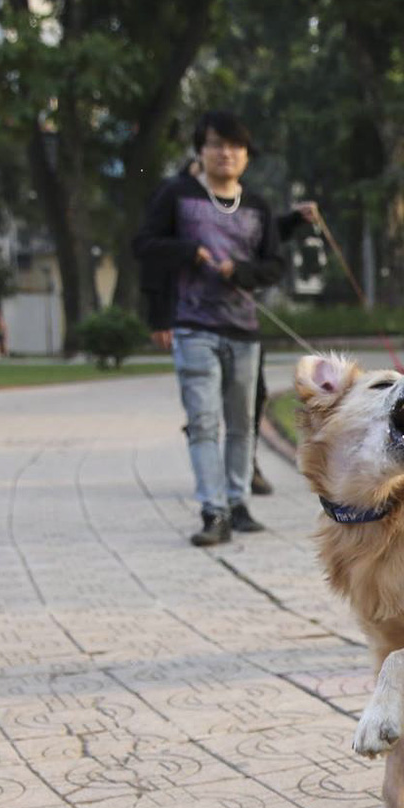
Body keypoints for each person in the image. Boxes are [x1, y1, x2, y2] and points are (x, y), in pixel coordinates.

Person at [131, 110, 288, 547]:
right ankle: (212, 511)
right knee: (203, 422)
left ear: (247, 156)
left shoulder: (257, 205)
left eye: (235, 146)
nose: (226, 153)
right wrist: (188, 252)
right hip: (193, 328)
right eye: (217, 144)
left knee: (242, 423)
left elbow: (275, 264)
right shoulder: (176, 195)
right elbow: (143, 244)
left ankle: (238, 503)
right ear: (201, 150)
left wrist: (241, 271)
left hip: (244, 331)